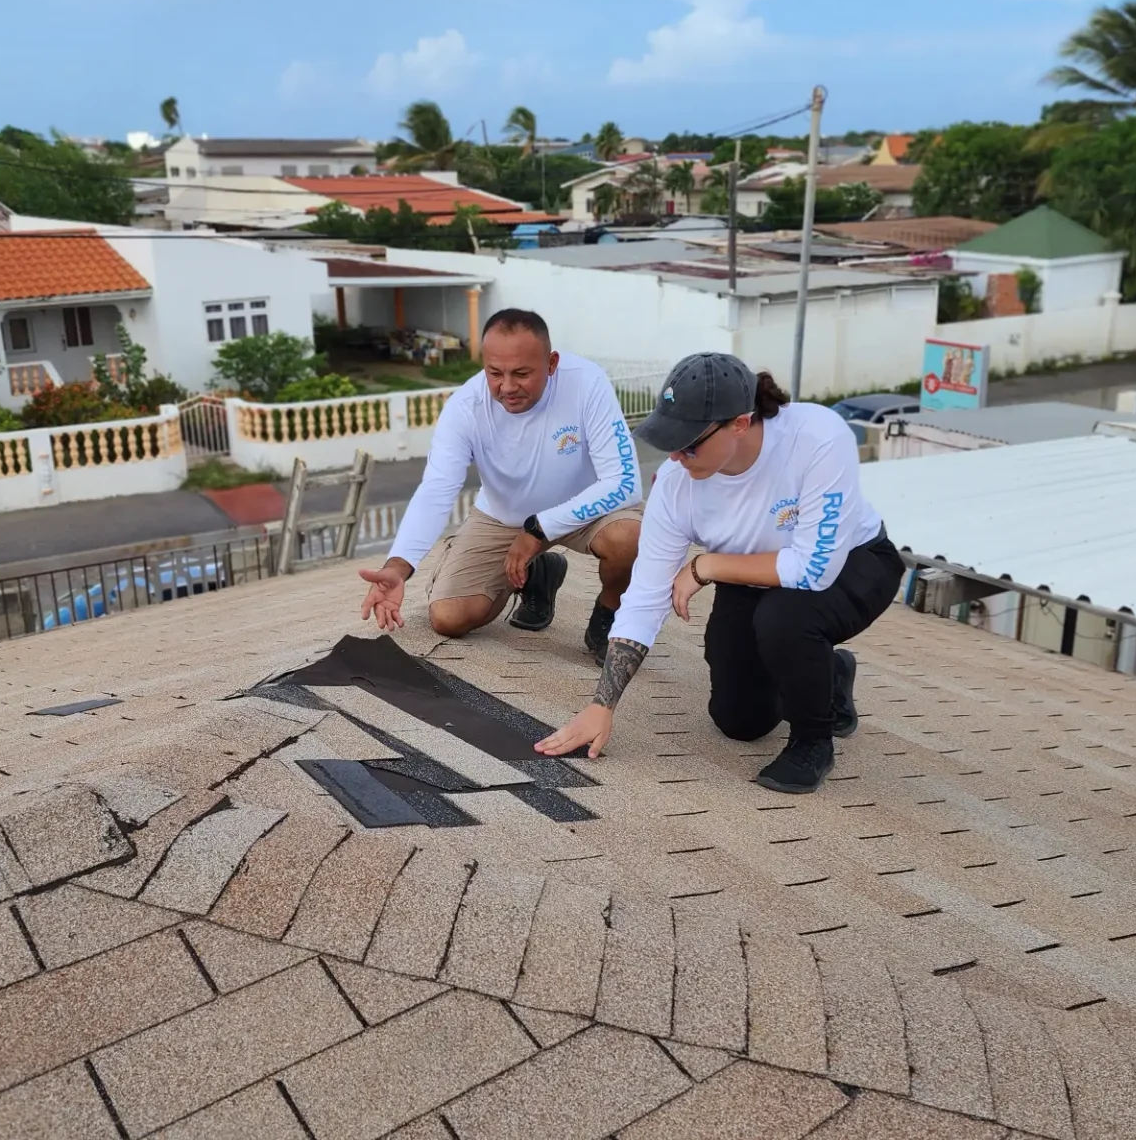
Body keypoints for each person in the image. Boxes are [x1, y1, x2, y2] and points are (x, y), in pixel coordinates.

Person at [535, 351, 903, 794]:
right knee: (739, 721)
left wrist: (704, 565)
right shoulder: (676, 483)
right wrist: (602, 705)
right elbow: (646, 596)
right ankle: (830, 672)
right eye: (669, 440)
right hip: (751, 577)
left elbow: (813, 569)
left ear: (741, 423)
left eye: (690, 442)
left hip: (853, 562)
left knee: (785, 620)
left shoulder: (817, 435)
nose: (676, 455)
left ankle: (813, 741)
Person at [359, 308, 642, 657]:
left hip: (586, 511)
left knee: (630, 538)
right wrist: (397, 567)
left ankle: (609, 612)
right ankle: (540, 573)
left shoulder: (587, 381)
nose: (507, 387)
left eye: (521, 373)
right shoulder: (465, 406)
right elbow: (436, 490)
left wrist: (540, 529)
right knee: (448, 618)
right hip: (504, 518)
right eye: (495, 373)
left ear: (551, 363)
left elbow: (624, 482)